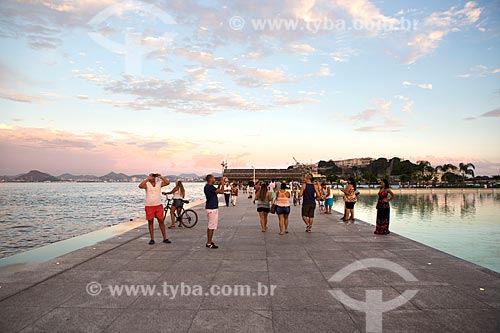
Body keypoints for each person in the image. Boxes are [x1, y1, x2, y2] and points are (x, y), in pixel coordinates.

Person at [139, 173, 172, 245]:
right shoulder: (147, 184)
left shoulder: (159, 184)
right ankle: (152, 239)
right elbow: (140, 186)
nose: (153, 177)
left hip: (158, 205)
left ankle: (165, 238)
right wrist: (147, 179)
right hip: (149, 206)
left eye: (154, 176)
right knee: (150, 222)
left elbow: (167, 183)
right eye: (151, 176)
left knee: (161, 221)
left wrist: (161, 177)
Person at [204, 175, 225, 249]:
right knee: (211, 226)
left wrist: (219, 185)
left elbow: (216, 192)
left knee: (211, 225)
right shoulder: (210, 187)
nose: (214, 179)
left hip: (211, 207)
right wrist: (222, 184)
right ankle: (209, 243)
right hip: (212, 208)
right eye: (213, 178)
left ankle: (209, 241)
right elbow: (222, 192)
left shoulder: (208, 187)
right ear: (210, 179)